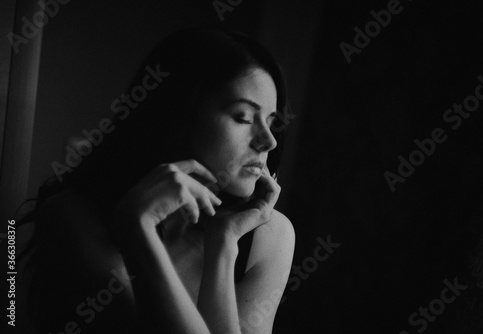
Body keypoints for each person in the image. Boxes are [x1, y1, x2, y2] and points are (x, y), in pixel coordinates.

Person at [19, 25, 295, 334]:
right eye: (244, 117)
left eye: (272, 122)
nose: (268, 141)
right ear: (178, 113)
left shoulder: (268, 234)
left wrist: (224, 244)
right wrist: (137, 223)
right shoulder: (73, 214)